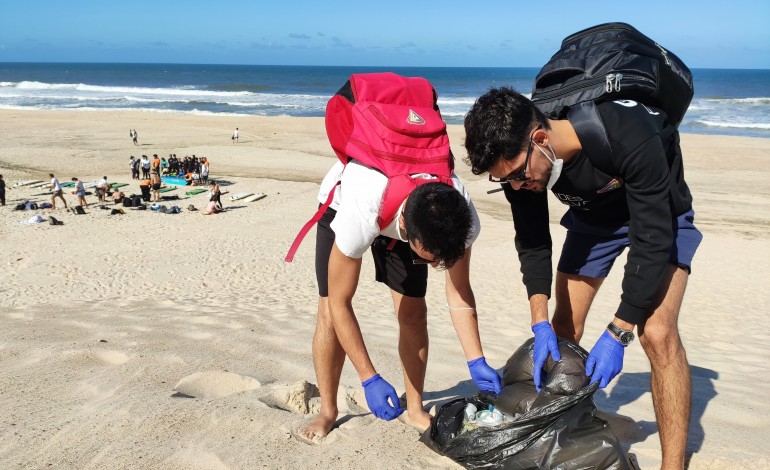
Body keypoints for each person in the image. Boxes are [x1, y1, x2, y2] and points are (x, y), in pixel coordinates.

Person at [463, 87, 702, 469]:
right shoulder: (521, 166)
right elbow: (533, 241)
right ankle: (563, 436)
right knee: (560, 332)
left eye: (518, 177)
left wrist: (618, 332)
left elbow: (652, 241)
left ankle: (673, 464)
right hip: (595, 221)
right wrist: (539, 320)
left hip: (661, 216)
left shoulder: (627, 131)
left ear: (540, 139)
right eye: (505, 182)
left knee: (656, 333)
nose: (518, 187)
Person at [299, 158, 500, 437]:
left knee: (414, 313)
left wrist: (475, 359)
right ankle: (328, 410)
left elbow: (459, 289)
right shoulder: (361, 209)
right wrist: (369, 377)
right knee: (328, 311)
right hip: (346, 205)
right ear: (406, 228)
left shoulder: (463, 220)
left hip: (408, 214)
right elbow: (339, 303)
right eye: (429, 259)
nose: (435, 266)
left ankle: (415, 409)